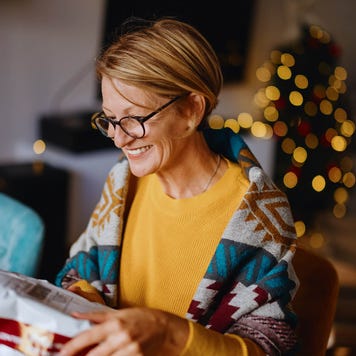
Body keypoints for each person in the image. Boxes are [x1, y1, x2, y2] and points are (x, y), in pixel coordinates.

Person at [56, 17, 299, 356]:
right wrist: (86, 301)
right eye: (110, 120)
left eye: (134, 119)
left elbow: (267, 347)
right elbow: (81, 271)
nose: (119, 138)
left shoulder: (257, 216)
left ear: (190, 110)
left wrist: (170, 333)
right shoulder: (122, 181)